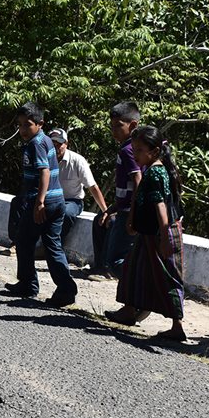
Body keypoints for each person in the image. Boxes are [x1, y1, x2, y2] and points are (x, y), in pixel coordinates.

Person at [105, 125, 186, 341]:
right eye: (134, 150)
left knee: (167, 277)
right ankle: (129, 311)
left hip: (158, 234)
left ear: (155, 151)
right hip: (148, 233)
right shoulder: (152, 169)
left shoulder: (155, 173)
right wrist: (133, 219)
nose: (136, 154)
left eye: (140, 150)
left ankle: (177, 326)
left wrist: (165, 235)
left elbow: (160, 206)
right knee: (134, 271)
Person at [4, 103, 77, 307]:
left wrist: (39, 202)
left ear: (40, 124)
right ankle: (66, 289)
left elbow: (44, 171)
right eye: (19, 125)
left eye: (27, 125)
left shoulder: (36, 143)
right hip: (57, 200)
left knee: (24, 241)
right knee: (52, 245)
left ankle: (29, 284)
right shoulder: (45, 140)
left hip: (43, 201)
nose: (22, 130)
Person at [91, 101, 142, 278]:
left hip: (129, 212)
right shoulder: (129, 148)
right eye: (111, 126)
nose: (114, 131)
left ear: (133, 125)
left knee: (116, 262)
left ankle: (142, 287)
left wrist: (132, 214)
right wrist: (112, 208)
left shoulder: (129, 150)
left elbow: (137, 180)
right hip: (124, 209)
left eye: (118, 126)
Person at [48, 128, 108, 240]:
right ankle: (18, 242)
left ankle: (55, 245)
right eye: (52, 144)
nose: (56, 147)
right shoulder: (45, 159)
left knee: (66, 213)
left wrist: (105, 210)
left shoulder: (78, 161)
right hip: (50, 198)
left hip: (72, 201)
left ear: (66, 143)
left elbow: (92, 186)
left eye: (59, 144)